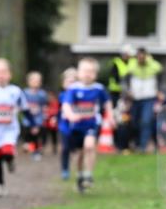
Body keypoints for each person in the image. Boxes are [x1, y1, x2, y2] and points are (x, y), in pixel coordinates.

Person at [0, 58, 31, 198]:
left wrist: (31, 124)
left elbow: (25, 108)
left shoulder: (15, 91)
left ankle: (10, 160)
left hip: (10, 129)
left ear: (10, 74)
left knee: (7, 151)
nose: (1, 75)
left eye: (4, 72)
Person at [62, 57, 113, 193]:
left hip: (92, 123)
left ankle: (89, 174)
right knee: (79, 154)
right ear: (78, 73)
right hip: (76, 126)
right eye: (84, 71)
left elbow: (107, 103)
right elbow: (66, 105)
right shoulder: (73, 89)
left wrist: (111, 117)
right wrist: (71, 115)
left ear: (95, 74)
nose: (87, 74)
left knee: (89, 146)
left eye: (91, 71)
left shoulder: (99, 89)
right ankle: (80, 175)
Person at [125, 47, 162, 152]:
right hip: (135, 98)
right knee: (134, 121)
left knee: (146, 121)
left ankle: (143, 146)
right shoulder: (131, 66)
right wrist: (127, 91)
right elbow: (126, 80)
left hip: (149, 97)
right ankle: (136, 143)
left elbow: (161, 78)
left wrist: (159, 90)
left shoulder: (155, 66)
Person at [22, 71, 48, 160]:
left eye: (38, 81)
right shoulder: (25, 93)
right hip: (27, 118)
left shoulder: (42, 94)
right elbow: (22, 105)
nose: (35, 82)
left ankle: (35, 151)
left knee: (36, 134)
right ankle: (27, 143)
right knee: (27, 131)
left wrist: (44, 116)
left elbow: (44, 105)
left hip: (38, 118)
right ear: (28, 81)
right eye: (33, 80)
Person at [57, 67, 77, 180]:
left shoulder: (80, 96)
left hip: (77, 125)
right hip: (64, 126)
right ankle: (65, 169)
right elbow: (58, 110)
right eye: (68, 82)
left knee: (75, 148)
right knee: (65, 148)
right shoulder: (62, 96)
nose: (71, 84)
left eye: (74, 81)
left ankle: (77, 167)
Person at [105, 44, 133, 109]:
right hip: (115, 91)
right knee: (114, 108)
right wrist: (122, 88)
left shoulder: (132, 62)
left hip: (126, 92)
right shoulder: (116, 62)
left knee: (125, 110)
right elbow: (115, 77)